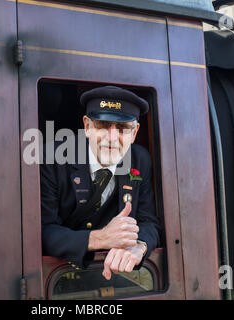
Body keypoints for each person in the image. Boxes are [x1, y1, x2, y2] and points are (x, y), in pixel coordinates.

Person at [40, 85, 160, 280]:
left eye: (122, 128)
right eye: (103, 125)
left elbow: (149, 222)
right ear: (87, 127)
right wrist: (101, 238)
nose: (112, 138)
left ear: (135, 132)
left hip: (110, 273)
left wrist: (139, 246)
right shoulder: (52, 158)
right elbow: (43, 231)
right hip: (55, 276)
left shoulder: (140, 160)